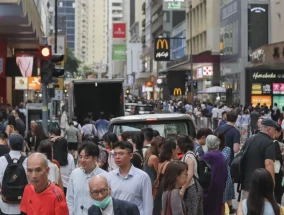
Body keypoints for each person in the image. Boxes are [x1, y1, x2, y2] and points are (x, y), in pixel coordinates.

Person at [103, 141, 153, 215]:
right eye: (115, 154)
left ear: (131, 156)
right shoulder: (109, 176)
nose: (117, 157)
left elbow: (147, 203)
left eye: (121, 154)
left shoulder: (142, 177)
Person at [241, 118, 277, 200]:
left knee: (245, 208)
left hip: (247, 182)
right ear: (269, 129)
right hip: (261, 185)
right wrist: (272, 183)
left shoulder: (250, 139)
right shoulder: (269, 143)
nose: (275, 132)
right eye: (274, 130)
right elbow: (269, 164)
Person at [66, 142, 106, 215]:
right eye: (81, 157)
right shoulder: (75, 173)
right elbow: (70, 198)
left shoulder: (105, 176)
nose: (82, 160)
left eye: (86, 157)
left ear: (95, 158)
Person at [0, 134, 27, 215]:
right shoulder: (27, 161)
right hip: (22, 205)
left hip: (4, 204)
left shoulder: (1, 160)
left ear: (9, 145)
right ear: (22, 145)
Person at [202, 135, 228, 215]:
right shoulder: (220, 154)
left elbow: (200, 160)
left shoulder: (210, 155)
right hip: (220, 184)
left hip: (212, 186)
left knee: (211, 208)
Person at [178, 135, 203, 215]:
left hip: (192, 188)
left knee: (191, 211)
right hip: (193, 187)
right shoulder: (189, 154)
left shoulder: (189, 156)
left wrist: (183, 189)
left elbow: (190, 174)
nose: (177, 146)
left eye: (178, 144)